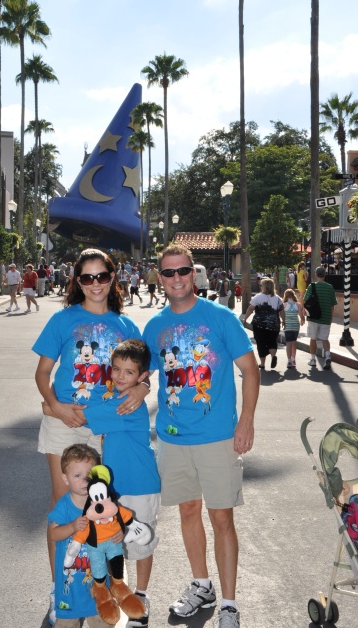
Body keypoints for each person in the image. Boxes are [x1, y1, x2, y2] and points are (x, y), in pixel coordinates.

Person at [143, 244, 259, 628]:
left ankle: (228, 603)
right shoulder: (154, 326)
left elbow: (251, 370)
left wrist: (246, 422)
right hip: (174, 439)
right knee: (188, 511)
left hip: (217, 437)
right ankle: (201, 585)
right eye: (169, 272)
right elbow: (144, 379)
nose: (176, 278)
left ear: (195, 274)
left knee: (222, 517)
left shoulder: (221, 318)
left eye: (183, 271)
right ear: (159, 278)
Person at [32, 248, 150, 626]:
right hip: (63, 421)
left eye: (102, 276)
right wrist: (54, 405)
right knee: (64, 505)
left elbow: (144, 370)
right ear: (77, 281)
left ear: (112, 278)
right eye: (87, 277)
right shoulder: (62, 320)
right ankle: (61, 590)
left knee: (102, 507)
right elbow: (42, 373)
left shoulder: (126, 326)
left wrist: (142, 388)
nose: (95, 284)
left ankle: (105, 585)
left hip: (105, 426)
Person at [44, 339, 160, 628]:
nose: (120, 376)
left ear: (142, 376)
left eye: (130, 372)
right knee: (112, 542)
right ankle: (113, 595)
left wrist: (50, 408)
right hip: (115, 489)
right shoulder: (115, 399)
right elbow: (89, 410)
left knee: (141, 543)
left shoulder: (127, 404)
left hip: (139, 485)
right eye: (117, 369)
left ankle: (141, 597)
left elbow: (81, 417)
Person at [48, 444, 112, 628]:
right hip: (70, 589)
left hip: (98, 586)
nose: (85, 481)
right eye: (77, 476)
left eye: (89, 475)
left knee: (104, 623)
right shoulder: (64, 506)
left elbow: (113, 527)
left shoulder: (102, 504)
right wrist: (72, 526)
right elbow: (54, 534)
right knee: (67, 624)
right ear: (65, 479)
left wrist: (117, 536)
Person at [243, 277, 284, 370]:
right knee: (272, 341)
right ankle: (273, 356)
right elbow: (282, 311)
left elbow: (250, 308)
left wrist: (245, 319)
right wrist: (284, 321)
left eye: (261, 285)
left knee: (261, 343)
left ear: (264, 287)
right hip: (274, 325)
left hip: (259, 325)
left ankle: (262, 364)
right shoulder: (278, 299)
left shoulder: (258, 297)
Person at [303, 265, 337, 370]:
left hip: (313, 317)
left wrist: (304, 312)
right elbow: (332, 304)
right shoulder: (330, 287)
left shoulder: (312, 286)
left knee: (313, 338)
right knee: (324, 339)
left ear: (316, 275)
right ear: (324, 275)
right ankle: (327, 356)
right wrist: (330, 317)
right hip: (326, 317)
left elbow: (305, 301)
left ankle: (313, 359)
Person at [281, 288, 305, 368]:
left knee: (288, 343)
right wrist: (302, 320)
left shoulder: (284, 305)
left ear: (285, 296)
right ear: (293, 295)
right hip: (295, 325)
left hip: (287, 325)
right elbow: (301, 315)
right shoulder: (297, 304)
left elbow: (280, 314)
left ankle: (289, 361)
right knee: (294, 342)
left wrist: (282, 321)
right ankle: (293, 358)